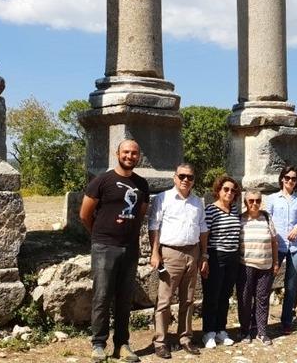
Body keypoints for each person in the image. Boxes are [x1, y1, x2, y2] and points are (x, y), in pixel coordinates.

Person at [79, 139, 150, 363]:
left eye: (134, 153)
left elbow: (140, 214)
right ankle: (98, 344)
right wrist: (100, 235)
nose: (130, 156)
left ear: (139, 156)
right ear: (117, 153)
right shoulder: (102, 180)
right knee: (102, 296)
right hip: (104, 247)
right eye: (126, 152)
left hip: (129, 248)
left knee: (124, 299)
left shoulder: (142, 184)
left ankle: (122, 344)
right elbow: (84, 214)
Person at [148, 164, 209, 359]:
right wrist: (155, 253)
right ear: (174, 178)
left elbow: (202, 228)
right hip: (170, 252)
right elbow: (154, 226)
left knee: (188, 299)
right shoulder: (163, 198)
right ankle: (160, 341)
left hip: (192, 252)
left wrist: (204, 255)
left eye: (190, 177)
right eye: (182, 176)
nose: (185, 180)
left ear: (194, 180)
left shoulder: (197, 201)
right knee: (164, 300)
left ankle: (185, 337)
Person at [267, 166, 297, 334]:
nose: (290, 181)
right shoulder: (272, 198)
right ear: (282, 179)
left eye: (294, 178)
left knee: (291, 285)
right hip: (277, 246)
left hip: (296, 246)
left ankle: (286, 321)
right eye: (287, 177)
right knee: (267, 283)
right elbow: (267, 221)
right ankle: (259, 320)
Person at [201, 175, 242, 349]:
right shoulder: (210, 210)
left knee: (225, 295)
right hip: (215, 256)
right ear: (218, 190)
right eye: (226, 189)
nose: (229, 192)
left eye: (233, 190)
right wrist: (204, 257)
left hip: (233, 257)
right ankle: (208, 332)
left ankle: (220, 330)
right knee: (212, 295)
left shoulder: (235, 210)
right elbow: (204, 235)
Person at [237, 190, 280, 345]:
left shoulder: (267, 218)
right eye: (251, 201)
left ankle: (261, 331)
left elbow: (274, 242)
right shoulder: (240, 219)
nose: (255, 203)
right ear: (245, 202)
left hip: (265, 265)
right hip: (246, 265)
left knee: (262, 299)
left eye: (258, 200)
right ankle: (245, 330)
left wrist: (276, 262)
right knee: (245, 298)